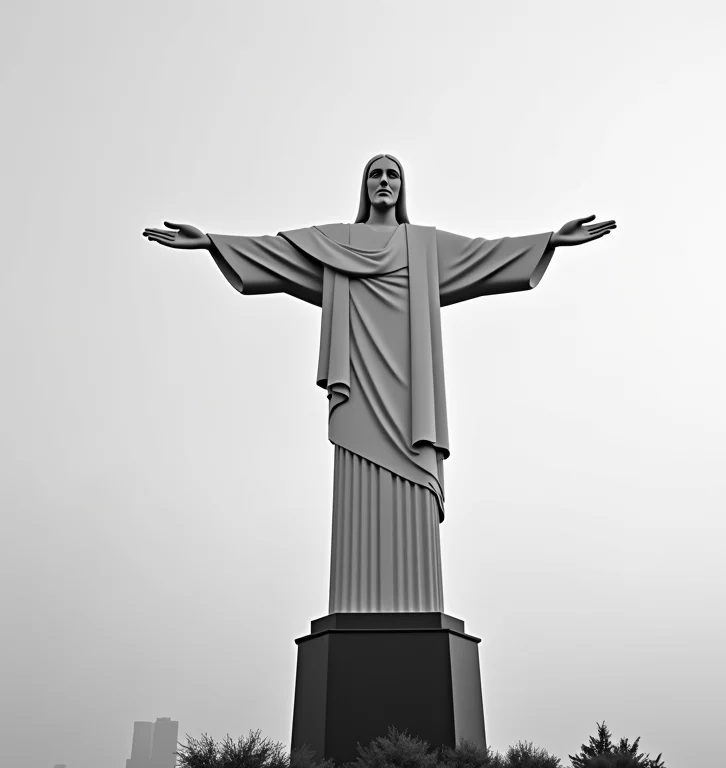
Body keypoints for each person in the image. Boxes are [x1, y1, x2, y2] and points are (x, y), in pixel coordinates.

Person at [143, 154, 616, 614]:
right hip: (359, 386)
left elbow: (485, 254)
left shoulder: (424, 246)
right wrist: (210, 242)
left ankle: (413, 599)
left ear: (402, 186)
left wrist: (551, 239)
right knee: (356, 492)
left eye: (392, 174)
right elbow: (277, 251)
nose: (384, 181)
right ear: (365, 186)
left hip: (411, 396)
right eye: (375, 174)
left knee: (412, 492)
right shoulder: (337, 242)